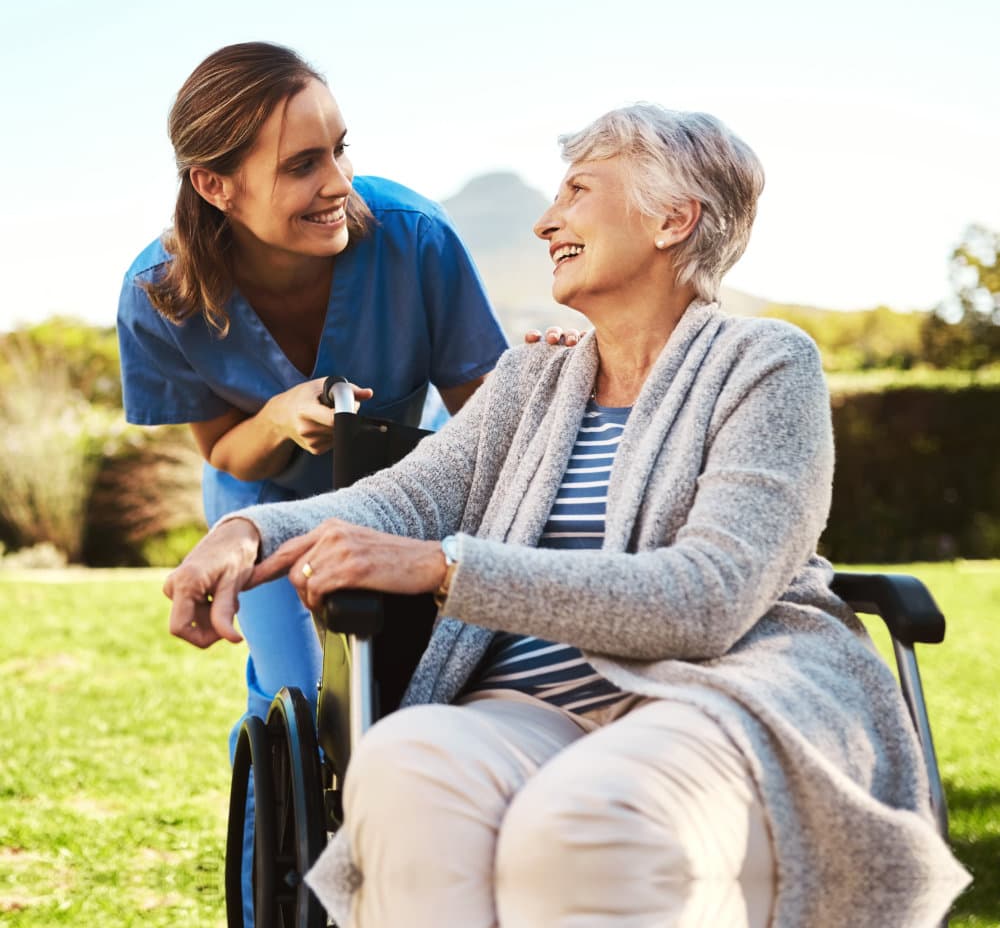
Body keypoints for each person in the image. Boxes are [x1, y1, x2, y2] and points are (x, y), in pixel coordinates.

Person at [164, 104, 970, 927]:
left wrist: (446, 569)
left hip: (710, 697)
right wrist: (246, 531)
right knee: (403, 768)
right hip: (524, 707)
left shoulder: (763, 364)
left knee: (581, 824)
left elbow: (710, 594)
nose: (547, 222)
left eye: (578, 191)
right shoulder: (533, 381)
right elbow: (402, 497)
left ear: (672, 220)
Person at [116, 41, 514, 923]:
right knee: (300, 703)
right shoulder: (158, 294)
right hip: (258, 506)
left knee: (412, 696)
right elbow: (223, 451)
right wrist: (276, 420)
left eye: (340, 149)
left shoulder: (414, 239)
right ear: (215, 185)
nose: (339, 184)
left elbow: (493, 425)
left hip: (404, 490)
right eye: (302, 165)